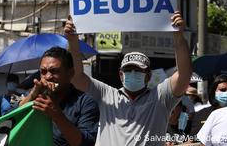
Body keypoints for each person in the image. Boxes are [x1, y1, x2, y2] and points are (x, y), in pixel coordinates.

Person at [65, 11, 192, 146]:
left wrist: (179, 37)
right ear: (120, 75)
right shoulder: (106, 95)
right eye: (128, 70)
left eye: (138, 70)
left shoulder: (160, 97)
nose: (132, 73)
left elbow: (184, 75)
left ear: (148, 76)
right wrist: (73, 42)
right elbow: (76, 77)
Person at [19, 47, 99, 146]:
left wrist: (57, 115)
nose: (48, 77)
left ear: (70, 74)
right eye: (43, 72)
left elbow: (86, 142)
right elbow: (7, 123)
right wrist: (32, 95)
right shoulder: (34, 96)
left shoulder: (85, 102)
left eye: (54, 71)